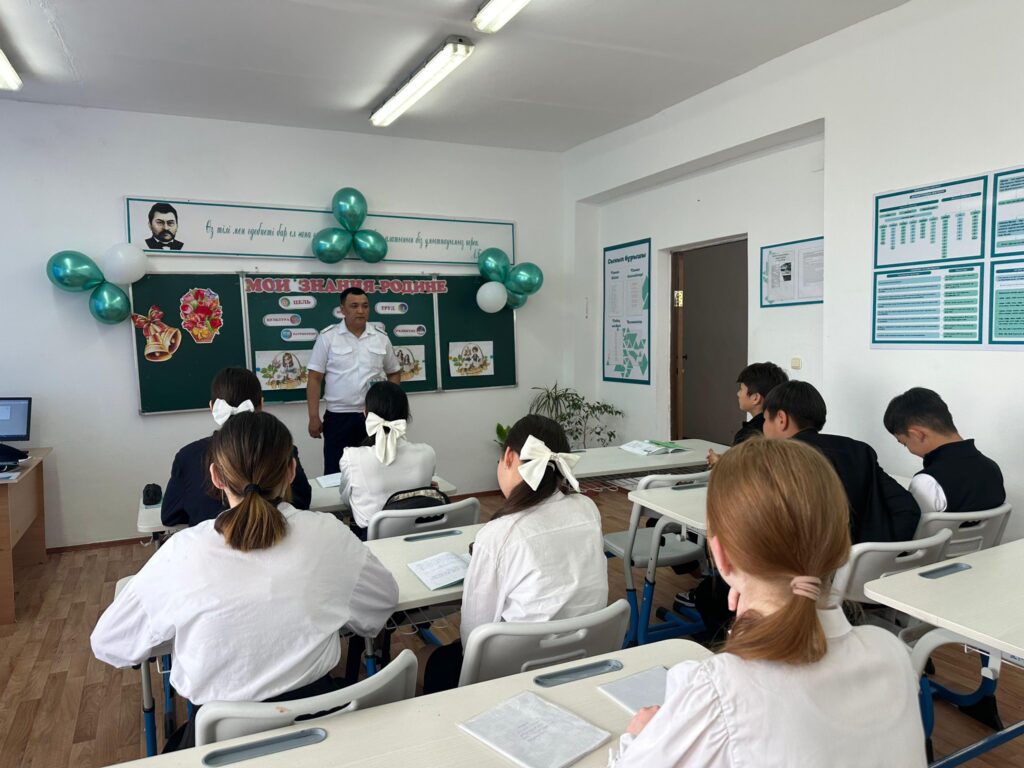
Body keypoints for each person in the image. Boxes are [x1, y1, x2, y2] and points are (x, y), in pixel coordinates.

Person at [92, 411, 399, 752]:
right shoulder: (329, 533)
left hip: (221, 746)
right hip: (322, 739)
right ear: (291, 471)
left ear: (216, 477)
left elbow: (110, 642)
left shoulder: (182, 552)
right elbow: (383, 602)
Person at [610, 439, 927, 767]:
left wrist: (639, 737)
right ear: (839, 544)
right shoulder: (892, 652)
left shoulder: (717, 690)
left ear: (721, 556)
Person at [421, 414, 608, 693]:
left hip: (512, 675)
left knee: (424, 659)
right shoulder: (587, 509)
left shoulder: (499, 534)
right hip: (583, 661)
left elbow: (475, 635)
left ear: (508, 456)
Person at [763, 380, 920, 544]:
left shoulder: (777, 459)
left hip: (810, 558)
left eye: (765, 419)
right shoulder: (859, 451)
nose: (764, 427)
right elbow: (908, 508)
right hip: (864, 557)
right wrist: (875, 553)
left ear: (781, 419)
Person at [162, 367, 312, 527]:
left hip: (211, 541)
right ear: (261, 404)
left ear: (212, 407)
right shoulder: (282, 447)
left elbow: (170, 516)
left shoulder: (188, 456)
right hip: (280, 537)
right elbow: (302, 501)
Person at [306, 287, 402, 475]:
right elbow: (314, 378)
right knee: (337, 472)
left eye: (365, 306)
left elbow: (394, 372)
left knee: (376, 471)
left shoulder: (381, 338)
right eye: (354, 306)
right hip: (339, 417)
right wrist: (313, 417)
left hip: (375, 417)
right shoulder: (328, 337)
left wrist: (387, 405)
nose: (360, 311)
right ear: (342, 310)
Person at [883, 387, 1005, 516]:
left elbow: (912, 527)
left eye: (904, 443)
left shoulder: (927, 482)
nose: (909, 449)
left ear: (917, 434)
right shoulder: (992, 468)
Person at [340, 381, 436, 536]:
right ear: (406, 416)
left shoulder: (352, 457)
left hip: (373, 540)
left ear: (366, 414)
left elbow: (346, 500)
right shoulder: (427, 453)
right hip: (420, 535)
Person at [707, 361, 788, 465]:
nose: (738, 394)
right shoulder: (783, 429)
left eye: (741, 389)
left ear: (755, 398)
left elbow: (740, 469)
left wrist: (720, 463)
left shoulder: (748, 435)